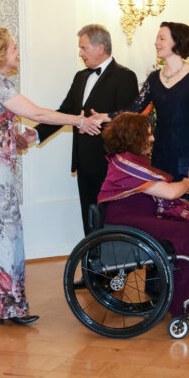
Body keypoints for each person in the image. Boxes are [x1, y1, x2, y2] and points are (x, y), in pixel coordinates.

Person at [0, 27, 104, 326]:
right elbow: (38, 114)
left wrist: (18, 139)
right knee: (7, 231)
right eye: (14, 47)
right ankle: (12, 306)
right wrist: (81, 120)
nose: (18, 52)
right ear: (0, 52)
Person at [95, 22, 189, 299]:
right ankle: (157, 287)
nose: (156, 42)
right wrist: (104, 117)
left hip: (188, 156)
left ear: (177, 42)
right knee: (158, 215)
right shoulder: (153, 78)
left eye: (161, 38)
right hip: (159, 156)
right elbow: (134, 110)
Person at [98, 113, 189, 317]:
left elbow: (164, 189)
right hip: (127, 219)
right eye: (148, 134)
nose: (152, 138)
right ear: (133, 136)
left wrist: (185, 186)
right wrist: (188, 183)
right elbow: (170, 192)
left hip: (138, 215)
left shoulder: (129, 159)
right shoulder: (126, 164)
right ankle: (182, 306)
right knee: (185, 231)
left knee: (187, 226)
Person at [34, 24, 138, 235]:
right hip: (84, 163)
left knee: (111, 220)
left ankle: (114, 267)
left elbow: (129, 120)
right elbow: (64, 112)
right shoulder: (80, 77)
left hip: (111, 164)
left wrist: (101, 122)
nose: (80, 53)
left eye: (83, 48)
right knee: (89, 219)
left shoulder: (124, 76)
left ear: (100, 47)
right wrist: (36, 133)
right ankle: (91, 264)